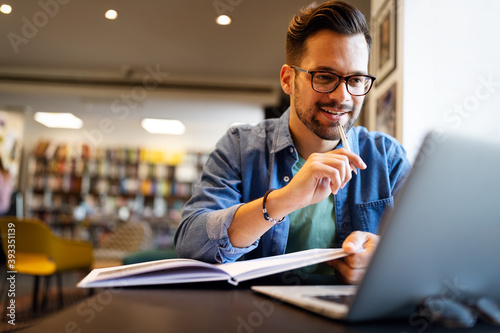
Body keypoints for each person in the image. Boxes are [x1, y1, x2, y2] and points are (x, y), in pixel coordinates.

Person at [175, 1, 411, 284]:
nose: (343, 96)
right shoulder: (240, 147)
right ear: (288, 80)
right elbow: (191, 243)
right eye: (324, 77)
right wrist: (282, 200)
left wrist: (384, 261)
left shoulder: (387, 157)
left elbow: (431, 254)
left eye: (356, 79)